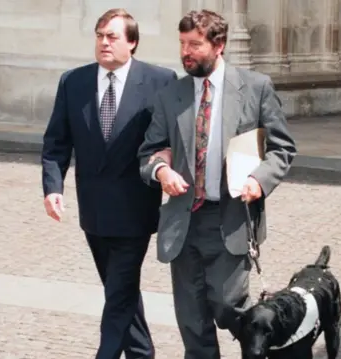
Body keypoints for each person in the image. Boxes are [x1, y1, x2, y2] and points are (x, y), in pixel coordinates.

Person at [137, 9, 297, 359]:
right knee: (192, 322)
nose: (186, 52)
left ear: (219, 45)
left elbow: (283, 148)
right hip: (184, 221)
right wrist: (162, 172)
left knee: (228, 306)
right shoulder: (170, 95)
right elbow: (149, 153)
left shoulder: (255, 88)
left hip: (231, 217)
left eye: (195, 44)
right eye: (182, 44)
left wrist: (259, 180)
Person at [40, 8, 177, 359]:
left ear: (131, 42)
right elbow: (57, 142)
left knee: (118, 294)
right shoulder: (74, 82)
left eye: (112, 36)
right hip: (94, 212)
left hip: (135, 209)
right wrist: (53, 187)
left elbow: (171, 140)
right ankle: (142, 353)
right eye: (100, 35)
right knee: (122, 290)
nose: (104, 42)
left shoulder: (161, 81)